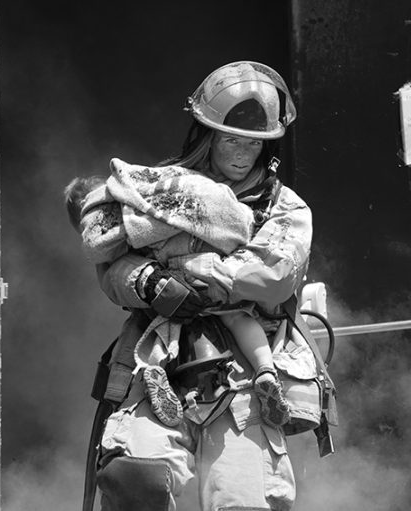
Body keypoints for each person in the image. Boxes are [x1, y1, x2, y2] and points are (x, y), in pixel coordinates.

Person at [85, 61, 328, 511]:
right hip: (158, 363)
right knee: (134, 484)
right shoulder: (159, 193)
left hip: (243, 381)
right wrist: (150, 281)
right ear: (206, 136)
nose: (242, 153)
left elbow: (272, 277)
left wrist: (197, 272)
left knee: (242, 502)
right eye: (231, 138)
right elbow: (112, 267)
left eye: (254, 143)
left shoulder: (286, 209)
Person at [64, 155, 291, 429]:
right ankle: (265, 370)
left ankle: (155, 371)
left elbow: (115, 277)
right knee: (239, 318)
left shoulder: (115, 230)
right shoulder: (160, 190)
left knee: (160, 331)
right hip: (214, 276)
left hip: (178, 283)